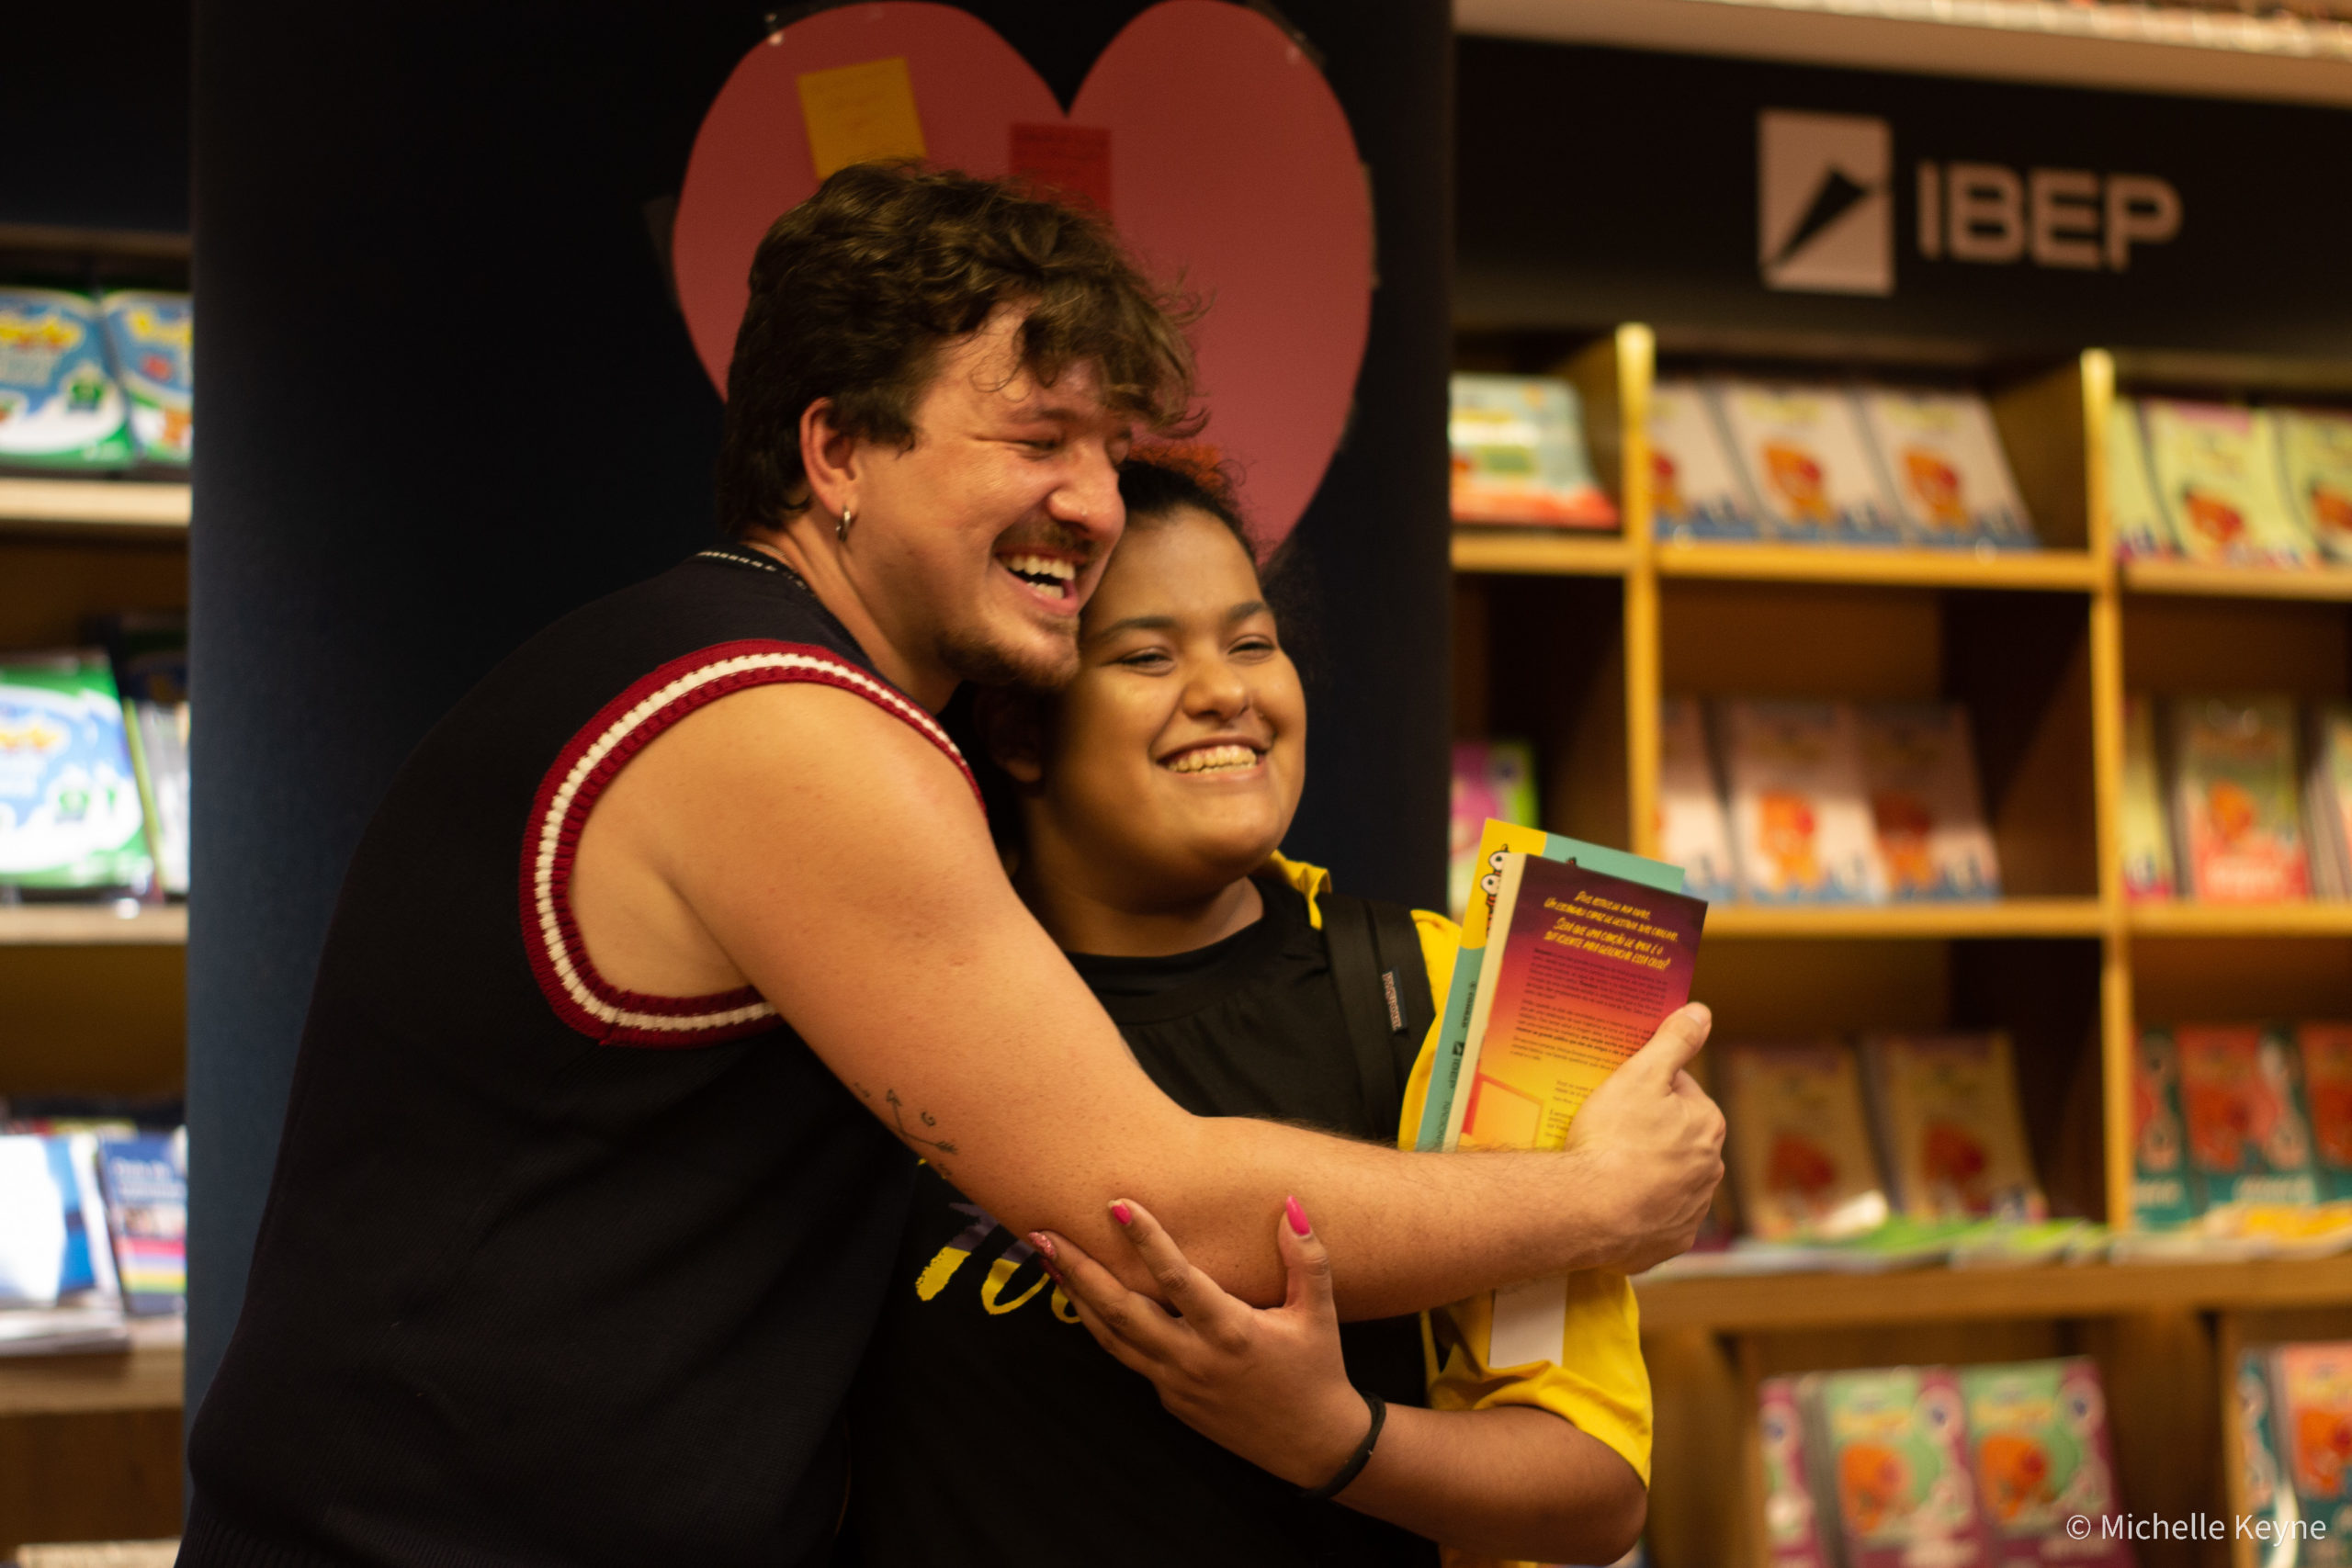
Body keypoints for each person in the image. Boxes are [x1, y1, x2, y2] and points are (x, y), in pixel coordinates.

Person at [183, 164, 1721, 1568]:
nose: (1095, 502)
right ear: (838, 449)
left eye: (1110, 450)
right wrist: (1594, 1196)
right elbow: (1150, 1201)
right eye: (1037, 439)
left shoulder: (696, 665)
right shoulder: (788, 722)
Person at [845, 457, 1650, 1568]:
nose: (1226, 691)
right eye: (1146, 656)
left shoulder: (1451, 991)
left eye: (1252, 642)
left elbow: (1597, 1492)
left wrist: (1340, 1441)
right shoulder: (881, 999)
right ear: (1019, 730)